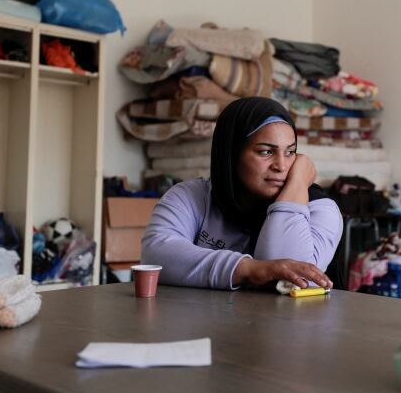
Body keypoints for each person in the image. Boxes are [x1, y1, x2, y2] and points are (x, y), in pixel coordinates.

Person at [141, 97, 343, 290]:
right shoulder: (191, 196)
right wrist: (250, 269)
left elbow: (287, 280)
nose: (281, 166)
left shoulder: (321, 209)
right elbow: (155, 256)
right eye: (266, 152)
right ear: (231, 153)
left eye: (290, 152)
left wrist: (297, 184)